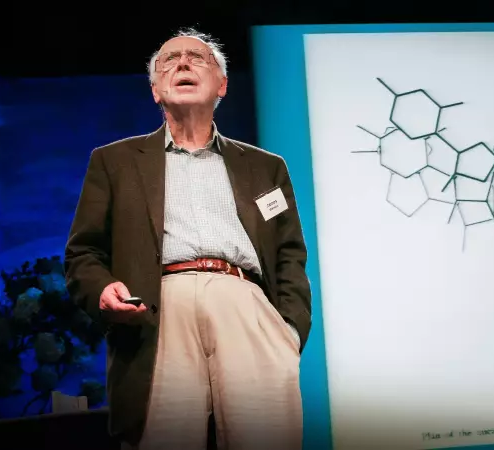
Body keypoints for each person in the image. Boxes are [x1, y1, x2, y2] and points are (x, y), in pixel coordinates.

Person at [64, 28, 311, 450]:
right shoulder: (114, 161)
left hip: (247, 307)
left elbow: (289, 254)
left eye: (197, 58)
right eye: (169, 60)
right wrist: (102, 289)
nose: (182, 63)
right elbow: (83, 252)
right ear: (155, 90)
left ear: (222, 85)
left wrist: (288, 328)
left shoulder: (265, 166)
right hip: (158, 310)